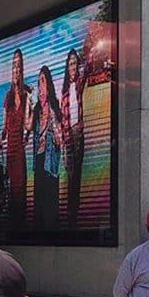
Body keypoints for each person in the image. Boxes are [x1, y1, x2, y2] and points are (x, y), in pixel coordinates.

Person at [0, 49, 30, 225]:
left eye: (19, 66)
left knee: (21, 191)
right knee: (11, 193)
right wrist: (0, 141)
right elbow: (4, 127)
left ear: (22, 69)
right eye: (14, 66)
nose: (16, 70)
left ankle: (21, 227)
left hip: (20, 151)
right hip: (10, 150)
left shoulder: (26, 96)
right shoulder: (8, 96)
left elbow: (29, 124)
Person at [27, 65, 61, 230]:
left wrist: (53, 119)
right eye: (38, 81)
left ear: (48, 84)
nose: (40, 85)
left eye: (42, 81)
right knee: (38, 202)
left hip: (51, 164)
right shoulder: (36, 109)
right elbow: (27, 127)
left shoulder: (55, 106)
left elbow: (58, 141)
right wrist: (29, 100)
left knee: (51, 204)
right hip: (39, 161)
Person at [60, 48, 87, 229]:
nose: (72, 66)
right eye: (70, 63)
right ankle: (70, 213)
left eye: (75, 63)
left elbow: (89, 65)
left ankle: (74, 212)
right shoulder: (64, 91)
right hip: (68, 136)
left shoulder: (79, 83)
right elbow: (63, 118)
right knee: (70, 174)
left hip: (78, 132)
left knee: (77, 173)